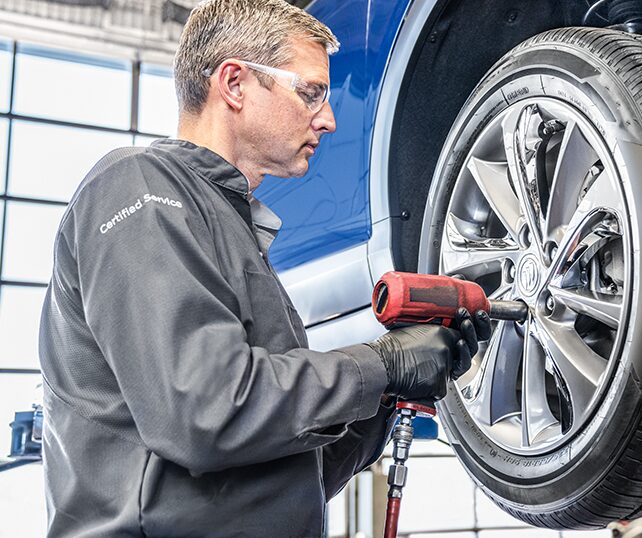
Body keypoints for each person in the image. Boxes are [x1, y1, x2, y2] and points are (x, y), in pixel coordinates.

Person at [37, 0, 490, 535]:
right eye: (311, 92)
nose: (328, 117)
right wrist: (381, 363)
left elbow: (292, 476)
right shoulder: (140, 188)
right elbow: (205, 409)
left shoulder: (236, 233)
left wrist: (392, 395)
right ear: (234, 83)